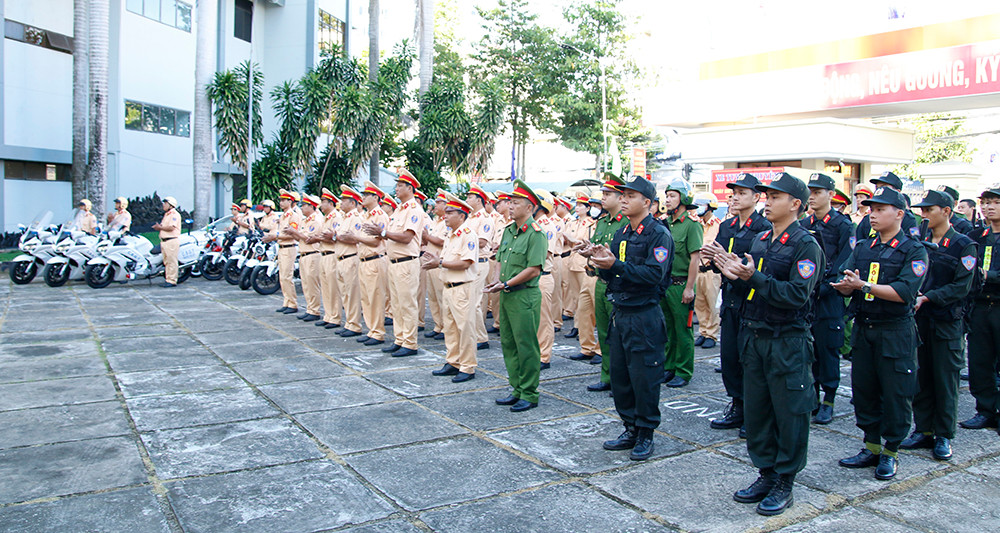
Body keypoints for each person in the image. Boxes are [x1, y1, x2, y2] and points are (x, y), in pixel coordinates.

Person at [714, 173, 823, 516]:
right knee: (758, 410)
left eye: (775, 197)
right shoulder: (761, 240)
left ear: (795, 204)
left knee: (789, 413)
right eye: (767, 196)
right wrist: (734, 275)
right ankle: (766, 472)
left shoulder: (806, 244)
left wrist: (753, 277)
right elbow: (753, 286)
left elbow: (796, 294)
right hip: (755, 336)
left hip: (786, 341)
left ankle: (785, 481)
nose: (768, 201)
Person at [833, 187, 928, 481]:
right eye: (871, 209)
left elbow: (904, 292)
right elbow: (846, 276)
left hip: (894, 331)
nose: (872, 214)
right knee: (865, 390)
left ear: (899, 214)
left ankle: (891, 451)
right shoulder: (864, 246)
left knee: (896, 392)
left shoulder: (913, 250)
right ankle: (871, 446)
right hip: (865, 328)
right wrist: (845, 286)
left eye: (880, 209)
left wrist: (863, 286)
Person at [584, 177, 672, 461]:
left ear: (647, 202)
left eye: (630, 196)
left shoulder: (658, 234)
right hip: (620, 312)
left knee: (644, 377)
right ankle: (630, 427)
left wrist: (616, 265)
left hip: (643, 315)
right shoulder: (622, 232)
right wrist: (600, 263)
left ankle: (646, 432)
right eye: (622, 195)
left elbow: (654, 274)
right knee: (620, 376)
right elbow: (614, 273)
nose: (623, 199)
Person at [899, 189, 976, 460]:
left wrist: (928, 297)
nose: (924, 215)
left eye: (929, 210)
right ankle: (923, 429)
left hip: (947, 322)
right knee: (921, 377)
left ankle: (943, 434)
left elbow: (962, 286)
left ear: (946, 211)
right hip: (920, 320)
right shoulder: (918, 242)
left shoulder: (963, 245)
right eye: (922, 210)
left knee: (945, 379)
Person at [702, 174, 771, 436]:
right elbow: (719, 260)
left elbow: (761, 266)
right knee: (730, 356)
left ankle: (753, 413)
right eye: (734, 193)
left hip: (751, 300)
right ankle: (737, 405)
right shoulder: (728, 225)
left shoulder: (763, 227)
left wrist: (730, 261)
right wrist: (713, 258)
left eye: (742, 193)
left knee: (750, 360)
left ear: (756, 197)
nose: (735, 197)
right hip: (730, 297)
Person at [486, 179, 548, 412]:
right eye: (510, 202)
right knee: (509, 344)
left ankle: (529, 393)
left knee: (526, 345)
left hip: (524, 296)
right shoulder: (508, 231)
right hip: (507, 294)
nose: (510, 206)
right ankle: (517, 388)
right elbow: (500, 259)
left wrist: (505, 283)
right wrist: (497, 280)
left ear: (529, 207)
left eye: (516, 203)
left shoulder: (536, 234)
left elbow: (533, 269)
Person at [802, 173, 854, 424]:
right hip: (807, 297)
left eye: (818, 192)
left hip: (829, 296)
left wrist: (824, 286)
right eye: (810, 192)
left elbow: (845, 262)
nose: (812, 197)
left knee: (829, 349)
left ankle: (829, 400)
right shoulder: (805, 223)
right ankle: (812, 397)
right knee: (809, 350)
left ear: (831, 195)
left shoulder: (844, 226)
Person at [365, 170, 423, 357]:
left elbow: (406, 237)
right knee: (397, 304)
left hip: (406, 262)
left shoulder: (414, 210)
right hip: (394, 262)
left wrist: (382, 233)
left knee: (407, 304)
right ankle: (400, 339)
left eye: (400, 185)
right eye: (396, 185)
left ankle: (410, 343)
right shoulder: (399, 210)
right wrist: (381, 233)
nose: (396, 189)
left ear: (410, 188)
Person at [423, 192, 479, 383]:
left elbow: (465, 263)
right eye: (445, 212)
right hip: (448, 286)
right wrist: (438, 261)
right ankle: (453, 361)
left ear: (461, 216)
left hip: (462, 287)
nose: (445, 216)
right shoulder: (450, 235)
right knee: (450, 327)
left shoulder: (468, 235)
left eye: (449, 213)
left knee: (465, 328)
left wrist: (439, 263)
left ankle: (467, 366)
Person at [960, 186, 1000, 432]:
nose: (988, 207)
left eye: (995, 202)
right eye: (985, 203)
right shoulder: (977, 235)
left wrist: (989, 275)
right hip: (980, 305)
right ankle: (985, 409)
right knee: (979, 361)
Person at [583, 177, 628, 391]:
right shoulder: (601, 222)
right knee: (603, 332)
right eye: (603, 194)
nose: (603, 198)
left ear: (620, 198)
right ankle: (607, 376)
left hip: (619, 284)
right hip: (600, 282)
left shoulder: (626, 222)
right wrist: (588, 253)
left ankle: (622, 380)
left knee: (620, 334)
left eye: (608, 194)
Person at [661, 179, 703, 388]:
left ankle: (683, 371)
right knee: (668, 329)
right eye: (667, 196)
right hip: (665, 285)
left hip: (681, 285)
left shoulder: (692, 225)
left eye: (672, 196)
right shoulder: (664, 224)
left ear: (684, 198)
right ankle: (669, 367)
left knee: (683, 330)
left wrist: (689, 288)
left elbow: (695, 259)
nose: (667, 200)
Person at [355, 181, 390, 346]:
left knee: (375, 298)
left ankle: (377, 332)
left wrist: (355, 238)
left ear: (375, 197)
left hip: (375, 260)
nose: (362, 198)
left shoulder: (380, 215)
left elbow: (376, 241)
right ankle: (371, 330)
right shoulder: (366, 216)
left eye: (366, 195)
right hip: (364, 260)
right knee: (366, 298)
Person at [333, 185, 365, 337]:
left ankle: (354, 325)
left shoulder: (356, 218)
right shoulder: (344, 218)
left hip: (350, 258)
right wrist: (337, 236)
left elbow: (353, 238)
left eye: (344, 200)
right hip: (341, 258)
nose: (341, 203)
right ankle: (349, 323)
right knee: (345, 293)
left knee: (352, 294)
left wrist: (336, 237)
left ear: (353, 203)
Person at [286, 194, 323, 321]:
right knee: (306, 284)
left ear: (311, 207)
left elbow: (308, 239)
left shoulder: (316, 220)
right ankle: (310, 309)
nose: (301, 208)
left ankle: (315, 310)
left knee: (312, 284)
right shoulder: (305, 220)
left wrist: (294, 232)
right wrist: (293, 233)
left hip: (312, 254)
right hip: (303, 253)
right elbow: (300, 238)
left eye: (304, 205)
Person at [467, 185, 495, 350]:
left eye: (470, 197)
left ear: (479, 200)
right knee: (469, 301)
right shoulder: (469, 218)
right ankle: (473, 334)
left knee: (475, 302)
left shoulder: (485, 218)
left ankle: (481, 338)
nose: (467, 199)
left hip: (479, 262)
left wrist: (463, 243)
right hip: (469, 262)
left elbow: (482, 241)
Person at [266, 190, 303, 314]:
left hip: (289, 247)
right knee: (282, 277)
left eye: (283, 200)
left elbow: (292, 234)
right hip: (281, 247)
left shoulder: (293, 215)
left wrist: (275, 237)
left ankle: (292, 303)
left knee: (287, 276)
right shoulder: (282, 216)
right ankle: (287, 301)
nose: (281, 203)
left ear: (290, 201)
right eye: (280, 200)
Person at [855, 172, 919, 241]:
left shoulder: (908, 219)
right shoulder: (868, 219)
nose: (880, 191)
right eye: (877, 187)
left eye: (884, 187)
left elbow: (912, 242)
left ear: (897, 191)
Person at [563, 193, 592, 340]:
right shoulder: (572, 223)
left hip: (582, 263)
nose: (578, 208)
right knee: (575, 297)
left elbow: (586, 242)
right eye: (577, 205)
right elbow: (566, 241)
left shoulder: (591, 224)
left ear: (588, 208)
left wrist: (573, 240)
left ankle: (584, 327)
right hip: (572, 261)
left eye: (581, 205)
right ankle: (576, 325)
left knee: (584, 298)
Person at [694, 197, 722, 350]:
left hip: (711, 270)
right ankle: (703, 332)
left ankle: (711, 334)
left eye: (702, 205)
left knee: (712, 304)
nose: (699, 207)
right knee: (700, 304)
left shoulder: (718, 225)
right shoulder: (698, 224)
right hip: (697, 270)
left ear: (710, 206)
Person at [422, 190, 449, 340]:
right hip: (430, 262)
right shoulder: (435, 221)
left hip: (439, 262)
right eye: (436, 202)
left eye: (439, 202)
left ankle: (446, 327)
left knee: (441, 296)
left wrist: (427, 236)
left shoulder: (447, 222)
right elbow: (428, 240)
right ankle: (438, 325)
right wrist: (425, 237)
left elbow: (442, 241)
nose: (436, 205)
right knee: (432, 296)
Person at [315, 189, 343, 328]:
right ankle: (328, 315)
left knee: (333, 288)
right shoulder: (326, 218)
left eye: (323, 202)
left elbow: (335, 237)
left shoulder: (336, 217)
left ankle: (335, 317)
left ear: (331, 203)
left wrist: (321, 237)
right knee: (325, 288)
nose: (321, 205)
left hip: (332, 254)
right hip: (324, 253)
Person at [152, 196, 182, 288]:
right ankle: (168, 279)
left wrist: (160, 228)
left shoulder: (174, 214)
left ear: (171, 205)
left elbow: (171, 227)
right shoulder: (167, 215)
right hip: (165, 241)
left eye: (165, 203)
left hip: (171, 240)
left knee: (171, 261)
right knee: (167, 262)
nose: (163, 205)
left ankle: (172, 280)